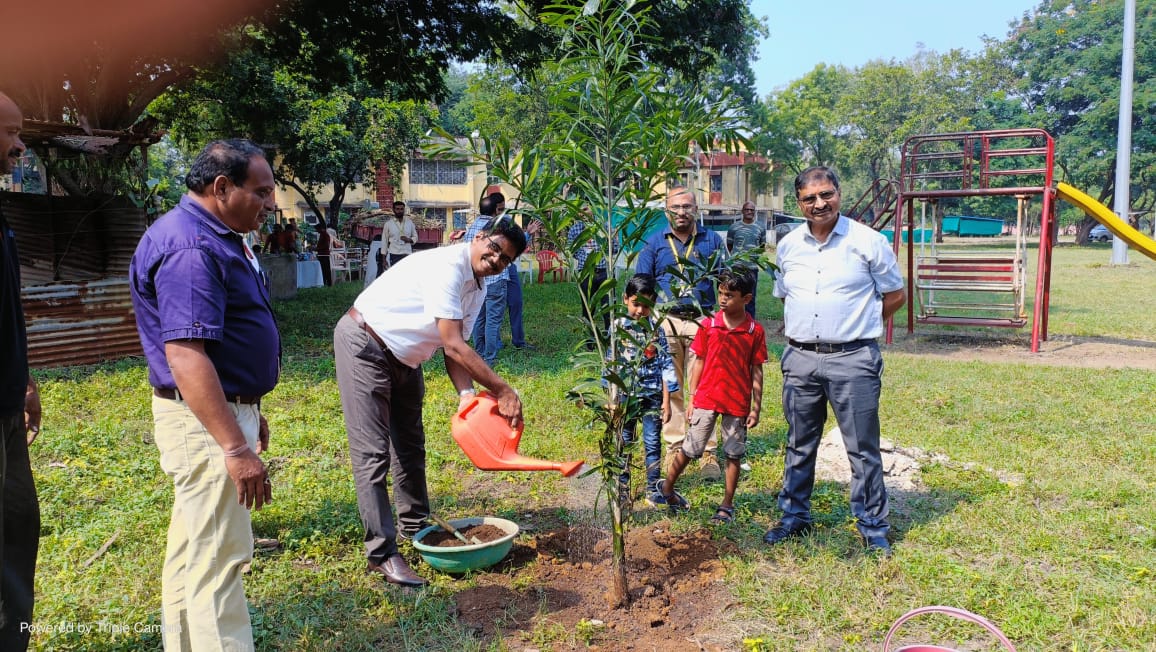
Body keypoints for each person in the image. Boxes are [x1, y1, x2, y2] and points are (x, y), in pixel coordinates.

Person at [129, 139, 279, 651]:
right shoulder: (191, 247)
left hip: (215, 413)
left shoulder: (213, 235)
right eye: (260, 192)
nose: (270, 203)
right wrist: (234, 446)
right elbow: (187, 355)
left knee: (194, 550)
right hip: (205, 427)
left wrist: (247, 409)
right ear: (222, 187)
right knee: (219, 559)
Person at [334, 218, 527, 587]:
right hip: (366, 345)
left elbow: (455, 352)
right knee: (373, 455)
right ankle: (381, 554)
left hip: (407, 359)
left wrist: (467, 395)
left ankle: (414, 525)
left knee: (409, 446)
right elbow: (453, 342)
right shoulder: (449, 266)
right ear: (481, 238)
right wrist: (502, 390)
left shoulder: (479, 285)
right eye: (495, 249)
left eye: (505, 261)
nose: (496, 260)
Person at [764, 166, 905, 556]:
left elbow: (894, 295)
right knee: (798, 442)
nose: (819, 204)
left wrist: (857, 327)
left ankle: (873, 526)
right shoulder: (788, 245)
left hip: (853, 359)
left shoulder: (868, 241)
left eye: (826, 195)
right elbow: (785, 296)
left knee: (862, 448)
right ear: (799, 203)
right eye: (809, 198)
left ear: (838, 194)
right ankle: (794, 516)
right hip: (800, 359)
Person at [652, 271, 766, 522]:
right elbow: (699, 361)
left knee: (733, 453)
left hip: (737, 402)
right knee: (691, 447)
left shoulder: (753, 331)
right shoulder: (708, 325)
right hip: (706, 398)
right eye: (721, 293)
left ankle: (727, 505)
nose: (723, 299)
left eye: (730, 295)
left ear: (746, 298)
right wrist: (692, 398)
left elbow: (757, 369)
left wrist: (756, 407)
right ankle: (667, 488)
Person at [635, 186, 727, 480]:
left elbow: (726, 280)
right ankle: (675, 446)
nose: (681, 212)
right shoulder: (654, 243)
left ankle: (707, 451)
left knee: (705, 387)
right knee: (670, 386)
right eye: (675, 207)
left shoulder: (712, 240)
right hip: (667, 322)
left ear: (696, 209)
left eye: (687, 206)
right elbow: (642, 282)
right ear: (667, 211)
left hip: (703, 320)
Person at [0, 91, 42, 652]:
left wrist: (25, 380)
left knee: (17, 530)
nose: (19, 143)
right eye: (9, 131)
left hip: (8, 406)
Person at [608, 274, 677, 506]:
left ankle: (653, 488)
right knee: (624, 441)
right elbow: (611, 362)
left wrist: (666, 401)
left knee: (652, 442)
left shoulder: (656, 330)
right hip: (626, 397)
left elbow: (667, 364)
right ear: (625, 299)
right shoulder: (617, 327)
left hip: (651, 396)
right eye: (636, 304)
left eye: (646, 306)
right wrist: (611, 397)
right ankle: (623, 488)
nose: (640, 310)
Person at [492, 193, 536, 351]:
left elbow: (517, 244)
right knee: (495, 308)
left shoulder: (508, 222)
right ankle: (495, 342)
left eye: (504, 209)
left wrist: (528, 234)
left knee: (516, 303)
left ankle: (519, 340)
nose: (502, 212)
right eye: (499, 209)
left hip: (509, 268)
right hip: (494, 269)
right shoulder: (490, 225)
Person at [466, 196, 504, 365]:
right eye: (501, 209)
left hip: (478, 280)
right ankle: (490, 358)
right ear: (496, 209)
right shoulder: (496, 228)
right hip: (496, 279)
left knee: (478, 318)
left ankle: (479, 354)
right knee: (493, 320)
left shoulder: (472, 228)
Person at [567, 206, 612, 349]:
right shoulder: (575, 229)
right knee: (588, 309)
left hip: (604, 271)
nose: (584, 212)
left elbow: (614, 248)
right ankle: (590, 342)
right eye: (581, 210)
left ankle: (610, 339)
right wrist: (585, 259)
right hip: (585, 273)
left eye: (587, 208)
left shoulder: (604, 226)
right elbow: (571, 250)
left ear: (593, 209)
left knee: (608, 308)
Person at [726, 201, 765, 319]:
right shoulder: (734, 227)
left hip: (752, 268)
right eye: (747, 209)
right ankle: (733, 320)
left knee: (750, 297)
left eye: (751, 210)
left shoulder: (760, 228)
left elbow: (761, 247)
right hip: (736, 268)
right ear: (742, 211)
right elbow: (730, 246)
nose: (749, 212)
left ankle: (749, 322)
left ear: (754, 212)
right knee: (734, 294)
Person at [382, 200, 417, 268]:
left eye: (401, 209)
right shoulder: (388, 224)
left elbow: (415, 236)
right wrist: (384, 260)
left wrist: (409, 240)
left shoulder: (409, 223)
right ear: (393, 210)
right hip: (394, 254)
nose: (399, 211)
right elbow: (384, 242)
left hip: (407, 253)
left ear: (404, 210)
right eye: (397, 209)